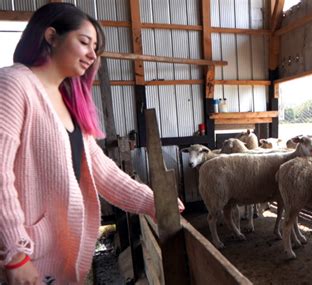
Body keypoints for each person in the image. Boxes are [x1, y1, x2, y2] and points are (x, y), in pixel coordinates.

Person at [0, 3, 184, 284]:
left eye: (95, 48)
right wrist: (15, 254)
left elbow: (104, 172)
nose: (92, 55)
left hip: (59, 251)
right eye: (84, 42)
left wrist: (152, 201)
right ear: (51, 37)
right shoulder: (14, 84)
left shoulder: (67, 103)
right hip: (26, 256)